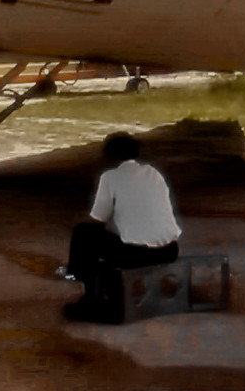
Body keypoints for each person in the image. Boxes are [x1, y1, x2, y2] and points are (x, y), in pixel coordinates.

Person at [63, 132, 181, 321]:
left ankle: (84, 287)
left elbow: (98, 219)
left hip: (137, 254)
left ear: (110, 156)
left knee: (83, 233)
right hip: (169, 249)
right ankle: (82, 278)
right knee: (113, 238)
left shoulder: (110, 177)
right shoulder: (154, 173)